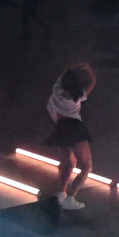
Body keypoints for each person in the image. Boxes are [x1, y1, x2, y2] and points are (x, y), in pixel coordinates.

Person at [45, 63, 96, 211]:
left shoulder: (56, 89)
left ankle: (61, 194)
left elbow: (64, 76)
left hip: (60, 128)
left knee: (69, 163)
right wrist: (88, 69)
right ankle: (70, 199)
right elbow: (92, 82)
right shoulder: (76, 97)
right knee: (86, 166)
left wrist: (71, 69)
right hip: (74, 128)